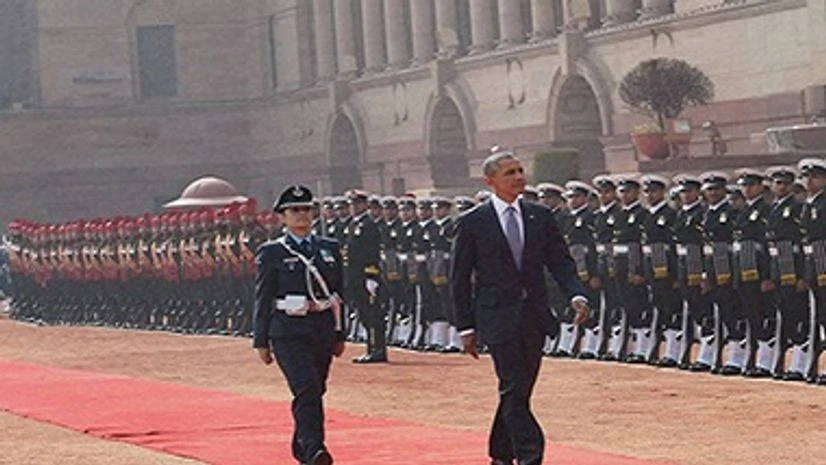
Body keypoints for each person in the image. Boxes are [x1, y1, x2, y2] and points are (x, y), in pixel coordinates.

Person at [451, 151, 589, 465]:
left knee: (519, 389)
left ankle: (501, 453)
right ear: (490, 181)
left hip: (535, 317)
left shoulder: (539, 216)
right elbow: (459, 278)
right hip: (496, 318)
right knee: (513, 384)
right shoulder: (473, 222)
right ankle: (530, 456)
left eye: (520, 171)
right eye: (509, 173)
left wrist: (576, 295)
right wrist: (466, 327)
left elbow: (560, 262)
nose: (518, 178)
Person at [253, 185, 346, 465]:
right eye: (294, 210)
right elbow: (263, 296)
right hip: (287, 332)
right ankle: (316, 449)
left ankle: (301, 445)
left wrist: (340, 333)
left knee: (316, 388)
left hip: (321, 329)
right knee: (305, 387)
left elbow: (338, 294)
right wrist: (260, 340)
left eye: (306, 209)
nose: (302, 215)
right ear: (282, 217)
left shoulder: (329, 248)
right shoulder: (272, 252)